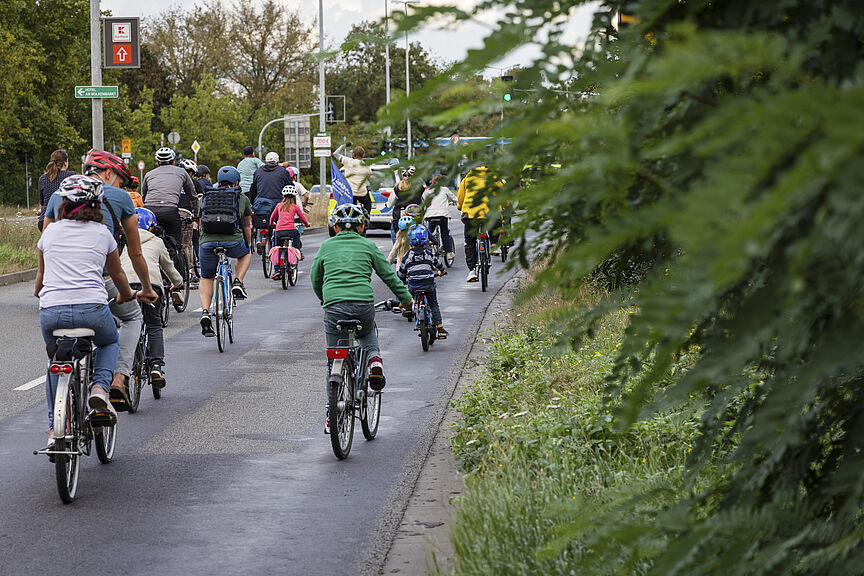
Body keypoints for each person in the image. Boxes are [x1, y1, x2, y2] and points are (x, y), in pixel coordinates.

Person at [43, 150, 158, 404]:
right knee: (131, 317)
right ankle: (118, 378)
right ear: (108, 173)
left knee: (54, 355)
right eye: (120, 181)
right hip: (101, 282)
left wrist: (42, 285)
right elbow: (135, 252)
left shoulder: (57, 195)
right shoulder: (120, 198)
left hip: (56, 288)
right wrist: (146, 288)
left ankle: (57, 422)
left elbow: (44, 246)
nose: (120, 187)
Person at [36, 175, 138, 445]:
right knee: (109, 341)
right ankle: (100, 389)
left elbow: (40, 277)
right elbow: (117, 274)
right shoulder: (102, 233)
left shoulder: (49, 233)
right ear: (97, 204)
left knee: (54, 362)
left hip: (51, 312)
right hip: (92, 308)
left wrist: (39, 293)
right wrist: (127, 295)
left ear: (63, 204)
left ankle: (55, 429)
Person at [311, 204, 413, 391]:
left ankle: (332, 405)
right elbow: (389, 276)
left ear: (335, 227)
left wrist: (324, 299)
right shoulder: (369, 246)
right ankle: (374, 361)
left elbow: (315, 278)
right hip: (362, 305)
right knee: (366, 333)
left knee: (333, 356)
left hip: (334, 307)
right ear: (362, 227)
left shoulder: (326, 246)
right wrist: (407, 300)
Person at [120, 208, 183, 390]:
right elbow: (169, 267)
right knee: (154, 325)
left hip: (126, 286)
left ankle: (122, 368)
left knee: (125, 323)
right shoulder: (157, 241)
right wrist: (178, 283)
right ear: (151, 226)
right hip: (151, 286)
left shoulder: (126, 242)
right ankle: (156, 366)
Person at [198, 166, 253, 337]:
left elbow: (200, 223)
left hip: (207, 243)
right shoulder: (241, 197)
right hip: (233, 241)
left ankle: (206, 312)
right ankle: (237, 282)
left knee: (207, 277)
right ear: (236, 183)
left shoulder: (206, 196)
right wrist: (248, 243)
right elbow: (247, 225)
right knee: (246, 253)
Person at [141, 148, 196, 253]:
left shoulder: (149, 174)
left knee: (147, 241)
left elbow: (144, 195)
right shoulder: (182, 172)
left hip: (151, 210)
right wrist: (196, 213)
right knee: (175, 243)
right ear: (173, 162)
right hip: (170, 210)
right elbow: (192, 195)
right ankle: (175, 256)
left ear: (157, 163)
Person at [398, 224, 448, 338]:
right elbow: (438, 264)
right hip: (428, 283)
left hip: (413, 285)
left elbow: (401, 272)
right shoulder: (427, 253)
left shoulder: (407, 256)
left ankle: (406, 306)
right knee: (434, 304)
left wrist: (403, 280)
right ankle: (440, 328)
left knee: (408, 297)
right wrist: (442, 271)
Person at [456, 165, 502, 282]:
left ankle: (472, 270)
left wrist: (460, 206)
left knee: (470, 241)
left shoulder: (468, 177)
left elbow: (461, 196)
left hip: (471, 214)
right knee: (495, 223)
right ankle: (494, 245)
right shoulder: (494, 176)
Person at [249, 151, 292, 248]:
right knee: (277, 224)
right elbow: (290, 187)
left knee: (261, 219)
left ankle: (259, 239)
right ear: (277, 161)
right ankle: (277, 243)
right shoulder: (283, 172)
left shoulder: (258, 172)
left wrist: (252, 202)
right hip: (278, 204)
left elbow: (253, 189)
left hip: (261, 204)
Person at [422, 171, 457, 261]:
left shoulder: (427, 191)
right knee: (444, 233)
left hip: (431, 215)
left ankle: (425, 249)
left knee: (429, 233)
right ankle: (449, 253)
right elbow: (455, 199)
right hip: (442, 215)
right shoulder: (444, 189)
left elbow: (424, 202)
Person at [37, 150, 75, 231]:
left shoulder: (42, 178)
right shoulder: (72, 176)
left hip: (44, 221)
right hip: (63, 220)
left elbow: (42, 203)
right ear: (65, 163)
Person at [333, 144, 373, 217]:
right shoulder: (366, 166)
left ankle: (351, 217)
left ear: (353, 154)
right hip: (362, 193)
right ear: (363, 155)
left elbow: (335, 154)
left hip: (350, 193)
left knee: (350, 208)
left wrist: (344, 145)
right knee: (368, 203)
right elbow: (370, 178)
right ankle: (366, 216)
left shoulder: (348, 161)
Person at [270, 184, 309, 251]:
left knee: (277, 247)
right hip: (291, 231)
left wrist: (271, 223)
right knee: (297, 235)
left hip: (279, 231)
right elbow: (302, 218)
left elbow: (272, 216)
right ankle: (297, 252)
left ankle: (277, 253)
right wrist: (306, 224)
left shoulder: (279, 205)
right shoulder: (295, 206)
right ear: (294, 197)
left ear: (283, 196)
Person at [386, 167, 418, 243]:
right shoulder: (419, 188)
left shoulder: (397, 188)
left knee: (395, 231)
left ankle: (396, 246)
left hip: (400, 216)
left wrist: (387, 204)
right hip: (416, 217)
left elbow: (390, 204)